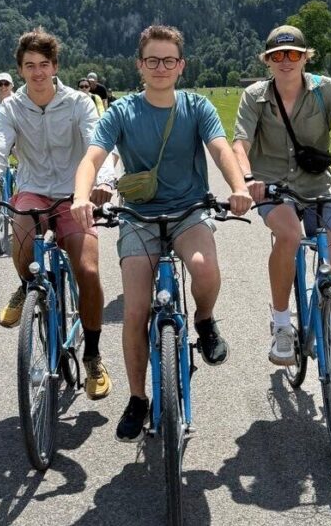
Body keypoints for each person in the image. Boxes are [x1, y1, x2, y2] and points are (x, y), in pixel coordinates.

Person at [71, 24, 253, 441]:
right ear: (139, 65)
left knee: (205, 270)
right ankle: (137, 398)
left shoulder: (196, 107)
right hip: (138, 217)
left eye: (168, 60)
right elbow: (92, 157)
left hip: (189, 211)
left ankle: (205, 321)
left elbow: (221, 149)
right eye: (152, 60)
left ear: (181, 66)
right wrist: (82, 196)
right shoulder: (121, 112)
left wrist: (239, 187)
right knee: (135, 310)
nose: (160, 67)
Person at [0, 28, 117, 400]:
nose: (37, 72)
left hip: (74, 192)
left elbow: (99, 144)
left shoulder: (79, 103)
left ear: (55, 67)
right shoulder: (12, 107)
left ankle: (93, 354)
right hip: (33, 188)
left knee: (90, 270)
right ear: (20, 70)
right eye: (29, 65)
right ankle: (28, 286)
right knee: (22, 235)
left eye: (43, 65)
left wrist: (105, 184)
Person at [231, 25, 331, 366]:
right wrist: (247, 179)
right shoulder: (256, 96)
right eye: (277, 55)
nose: (285, 61)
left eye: (293, 54)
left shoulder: (325, 90)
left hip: (319, 186)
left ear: (305, 58)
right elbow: (240, 144)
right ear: (268, 61)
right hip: (273, 186)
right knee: (288, 235)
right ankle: (281, 326)